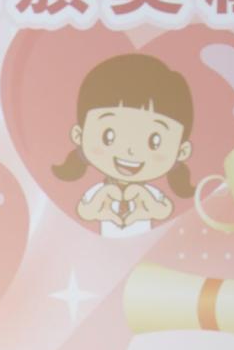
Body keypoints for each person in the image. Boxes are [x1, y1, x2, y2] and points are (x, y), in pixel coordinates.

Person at [52, 53, 195, 237]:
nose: (130, 150)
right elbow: (85, 211)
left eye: (154, 141)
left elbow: (163, 210)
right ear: (79, 135)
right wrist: (102, 206)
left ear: (182, 151)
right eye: (109, 136)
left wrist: (145, 205)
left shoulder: (150, 195)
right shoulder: (99, 192)